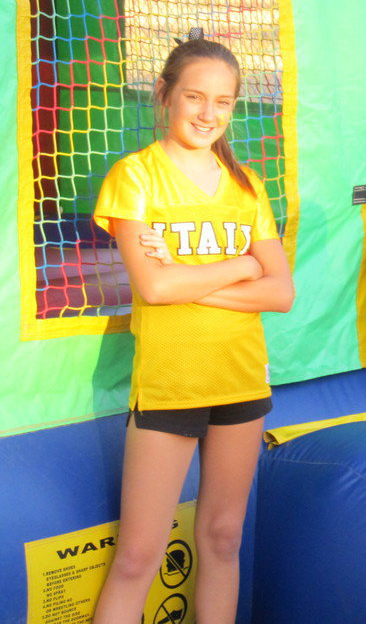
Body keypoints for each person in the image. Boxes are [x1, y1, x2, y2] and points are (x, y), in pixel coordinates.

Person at [91, 32, 294, 623]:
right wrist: (242, 265)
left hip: (240, 384)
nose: (209, 113)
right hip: (171, 386)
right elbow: (153, 289)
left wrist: (189, 276)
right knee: (137, 556)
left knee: (224, 539)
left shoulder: (246, 185)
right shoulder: (137, 177)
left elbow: (280, 293)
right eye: (195, 97)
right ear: (165, 95)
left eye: (224, 101)